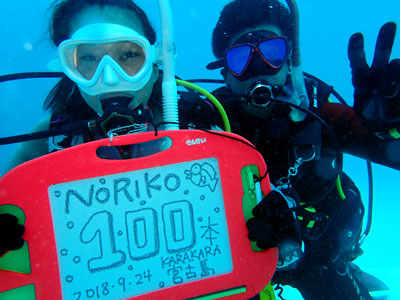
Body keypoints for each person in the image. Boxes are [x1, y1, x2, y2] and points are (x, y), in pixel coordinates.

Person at [206, 0, 400, 299]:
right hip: (243, 261)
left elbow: (392, 152)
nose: (259, 68)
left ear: (290, 61)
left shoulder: (320, 114)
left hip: (318, 258)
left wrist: (390, 126)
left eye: (272, 53)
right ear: (225, 73)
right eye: (241, 57)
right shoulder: (205, 122)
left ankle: (350, 273)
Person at [0, 0, 216, 256]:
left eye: (128, 55)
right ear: (69, 68)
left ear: (156, 60)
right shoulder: (47, 142)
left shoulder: (198, 124)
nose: (110, 78)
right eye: (89, 58)